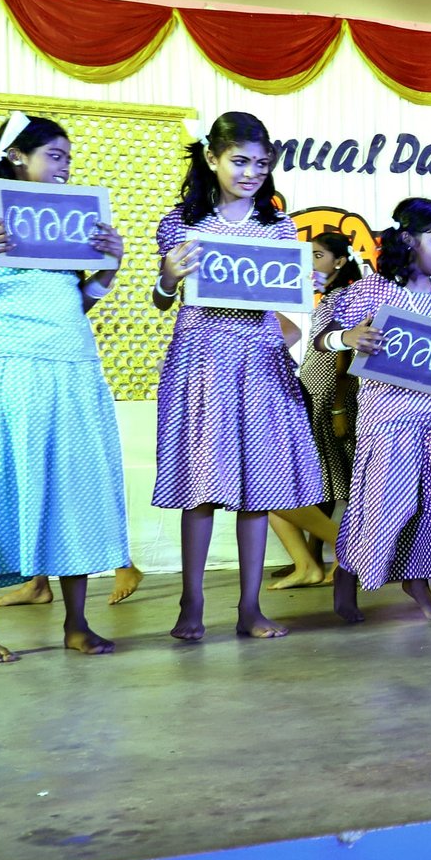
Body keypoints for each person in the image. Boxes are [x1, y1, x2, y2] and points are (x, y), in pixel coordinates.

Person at [0, 113, 129, 662]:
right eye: (55, 155)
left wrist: (108, 269)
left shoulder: (70, 221)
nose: (66, 166)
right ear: (17, 155)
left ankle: (77, 623)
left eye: (68, 157)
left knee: (73, 487)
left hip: (70, 366)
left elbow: (75, 303)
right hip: (2, 368)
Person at [152, 111, 326, 641]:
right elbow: (162, 300)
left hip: (260, 359)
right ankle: (191, 603)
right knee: (200, 488)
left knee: (258, 489)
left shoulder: (279, 227)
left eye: (261, 164)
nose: (251, 173)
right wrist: (167, 279)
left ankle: (250, 608)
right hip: (201, 358)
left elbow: (287, 304)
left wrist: (305, 283)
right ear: (212, 158)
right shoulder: (181, 223)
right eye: (240, 161)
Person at [318, 198, 431, 621]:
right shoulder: (373, 289)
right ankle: (347, 569)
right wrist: (347, 338)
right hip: (388, 417)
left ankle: (417, 577)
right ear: (407, 239)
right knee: (389, 504)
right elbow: (323, 335)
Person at [267, 230, 364, 587]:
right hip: (313, 388)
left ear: (339, 261)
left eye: (319, 255)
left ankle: (342, 556)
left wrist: (338, 406)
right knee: (322, 477)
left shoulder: (344, 297)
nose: (311, 263)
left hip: (328, 393)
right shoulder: (326, 297)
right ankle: (311, 557)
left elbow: (344, 353)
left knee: (337, 476)